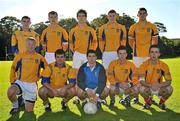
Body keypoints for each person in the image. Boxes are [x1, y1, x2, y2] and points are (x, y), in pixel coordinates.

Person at [7, 37, 48, 114]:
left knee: (29, 111)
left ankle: (23, 98)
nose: (31, 46)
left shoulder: (40, 57)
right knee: (10, 91)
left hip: (32, 85)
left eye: (33, 44)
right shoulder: (20, 56)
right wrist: (12, 82)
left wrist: (41, 75)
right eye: (29, 44)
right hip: (20, 82)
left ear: (35, 45)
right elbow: (13, 69)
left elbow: (47, 69)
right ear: (26, 44)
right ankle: (15, 106)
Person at [139, 45, 173, 110]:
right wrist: (150, 85)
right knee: (141, 89)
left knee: (170, 89)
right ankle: (148, 102)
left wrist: (159, 85)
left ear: (159, 54)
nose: (154, 54)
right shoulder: (143, 65)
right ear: (149, 54)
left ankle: (161, 103)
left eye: (156, 52)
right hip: (148, 87)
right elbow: (141, 80)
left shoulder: (164, 65)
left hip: (159, 88)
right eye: (152, 52)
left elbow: (169, 81)